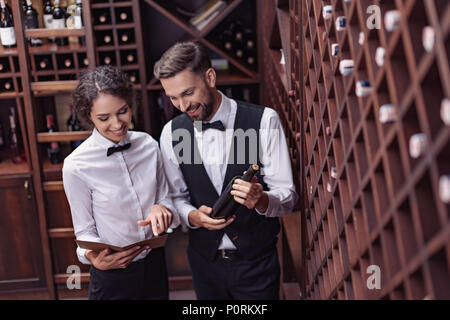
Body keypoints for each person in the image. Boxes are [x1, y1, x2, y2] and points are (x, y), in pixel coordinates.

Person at [155, 41, 298, 300]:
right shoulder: (171, 133)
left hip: (257, 264)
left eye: (188, 93)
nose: (182, 106)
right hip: (203, 265)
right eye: (173, 97)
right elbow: (175, 198)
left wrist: (262, 199)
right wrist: (192, 217)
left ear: (210, 77)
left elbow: (287, 197)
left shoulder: (264, 121)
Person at [63, 66, 179, 300]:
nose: (117, 124)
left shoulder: (149, 145)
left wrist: (162, 207)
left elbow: (165, 197)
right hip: (112, 273)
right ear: (89, 117)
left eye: (123, 111)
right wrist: (96, 258)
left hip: (154, 264)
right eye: (104, 118)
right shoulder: (76, 165)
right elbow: (84, 231)